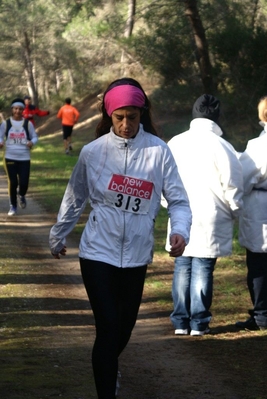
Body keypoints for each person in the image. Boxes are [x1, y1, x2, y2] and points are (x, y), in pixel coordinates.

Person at [49, 77, 192, 399]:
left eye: (133, 117)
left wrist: (180, 231)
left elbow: (179, 200)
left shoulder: (159, 151)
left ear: (142, 114)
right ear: (108, 116)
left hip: (137, 254)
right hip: (98, 252)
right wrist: (58, 235)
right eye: (120, 117)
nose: (126, 124)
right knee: (109, 326)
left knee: (124, 328)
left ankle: (108, 367)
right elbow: (75, 197)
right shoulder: (93, 152)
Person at [164, 94, 243, 336]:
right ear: (216, 117)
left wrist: (166, 203)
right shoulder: (223, 146)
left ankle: (180, 321)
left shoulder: (175, 142)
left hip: (181, 211)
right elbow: (233, 183)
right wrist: (235, 209)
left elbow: (162, 177)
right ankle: (199, 322)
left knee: (182, 264)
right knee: (203, 267)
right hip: (211, 213)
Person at [235, 96, 267, 331]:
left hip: (261, 207)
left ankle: (262, 314)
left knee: (258, 265)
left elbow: (243, 178)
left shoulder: (259, 146)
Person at [0, 98, 38, 216]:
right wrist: (0, 142)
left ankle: (21, 194)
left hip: (24, 158)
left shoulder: (28, 123)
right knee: (12, 182)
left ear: (23, 110)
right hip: (10, 157)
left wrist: (32, 142)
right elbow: (0, 136)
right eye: (15, 108)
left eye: (20, 109)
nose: (18, 111)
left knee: (24, 182)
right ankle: (13, 206)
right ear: (12, 109)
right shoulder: (6, 123)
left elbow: (35, 137)